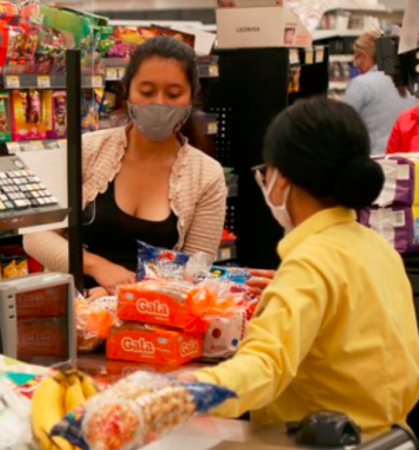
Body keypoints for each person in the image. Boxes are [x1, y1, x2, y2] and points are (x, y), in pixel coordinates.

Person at [180, 98, 419, 433]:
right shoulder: (380, 251)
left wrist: (180, 393)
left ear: (282, 178)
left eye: (267, 170)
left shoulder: (310, 262)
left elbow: (264, 366)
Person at [23, 36, 226, 294]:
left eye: (173, 94)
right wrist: (97, 267)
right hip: (75, 313)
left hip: (153, 320)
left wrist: (116, 294)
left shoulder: (206, 175)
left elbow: (195, 271)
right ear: (127, 91)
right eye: (147, 91)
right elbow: (36, 235)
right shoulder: (86, 150)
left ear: (190, 99)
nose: (159, 103)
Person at [345, 30, 415, 155]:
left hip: (372, 161)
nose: (356, 63)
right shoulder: (409, 82)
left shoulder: (361, 84)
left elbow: (344, 128)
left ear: (365, 55)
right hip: (406, 161)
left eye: (357, 56)